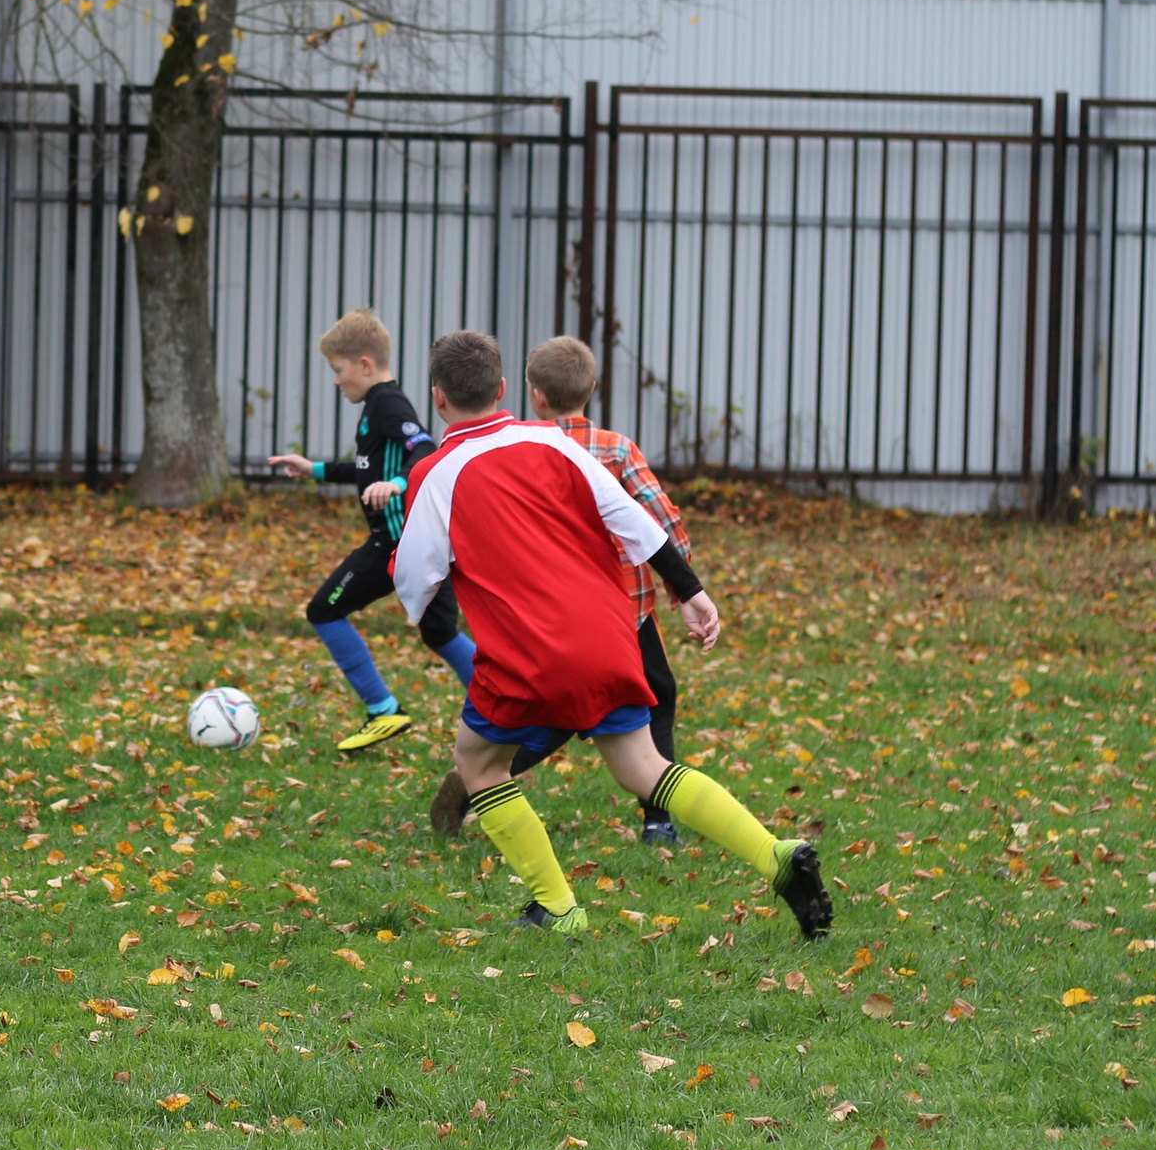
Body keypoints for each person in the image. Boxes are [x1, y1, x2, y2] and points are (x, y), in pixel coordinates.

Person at [392, 329, 830, 939]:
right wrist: (692, 592)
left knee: (477, 762)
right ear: (500, 389)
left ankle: (559, 908)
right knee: (643, 767)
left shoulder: (436, 474)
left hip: (526, 654)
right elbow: (636, 522)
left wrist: (425, 592)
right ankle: (775, 856)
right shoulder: (558, 444)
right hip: (609, 634)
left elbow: (415, 582)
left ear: (438, 399)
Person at [428, 335, 693, 846]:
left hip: (541, 617)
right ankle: (657, 820)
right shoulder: (617, 449)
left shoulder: (518, 449)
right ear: (592, 387)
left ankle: (476, 783)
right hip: (628, 616)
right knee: (656, 702)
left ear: (533, 395)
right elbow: (661, 521)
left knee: (547, 715)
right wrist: (680, 581)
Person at [267, 308, 478, 753]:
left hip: (395, 546)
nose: (335, 380)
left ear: (364, 364)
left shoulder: (388, 403)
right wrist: (314, 469)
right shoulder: (375, 405)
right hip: (422, 546)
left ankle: (383, 710)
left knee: (323, 611)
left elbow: (422, 447)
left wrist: (399, 483)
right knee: (440, 634)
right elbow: (366, 469)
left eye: (337, 370)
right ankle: (509, 708)